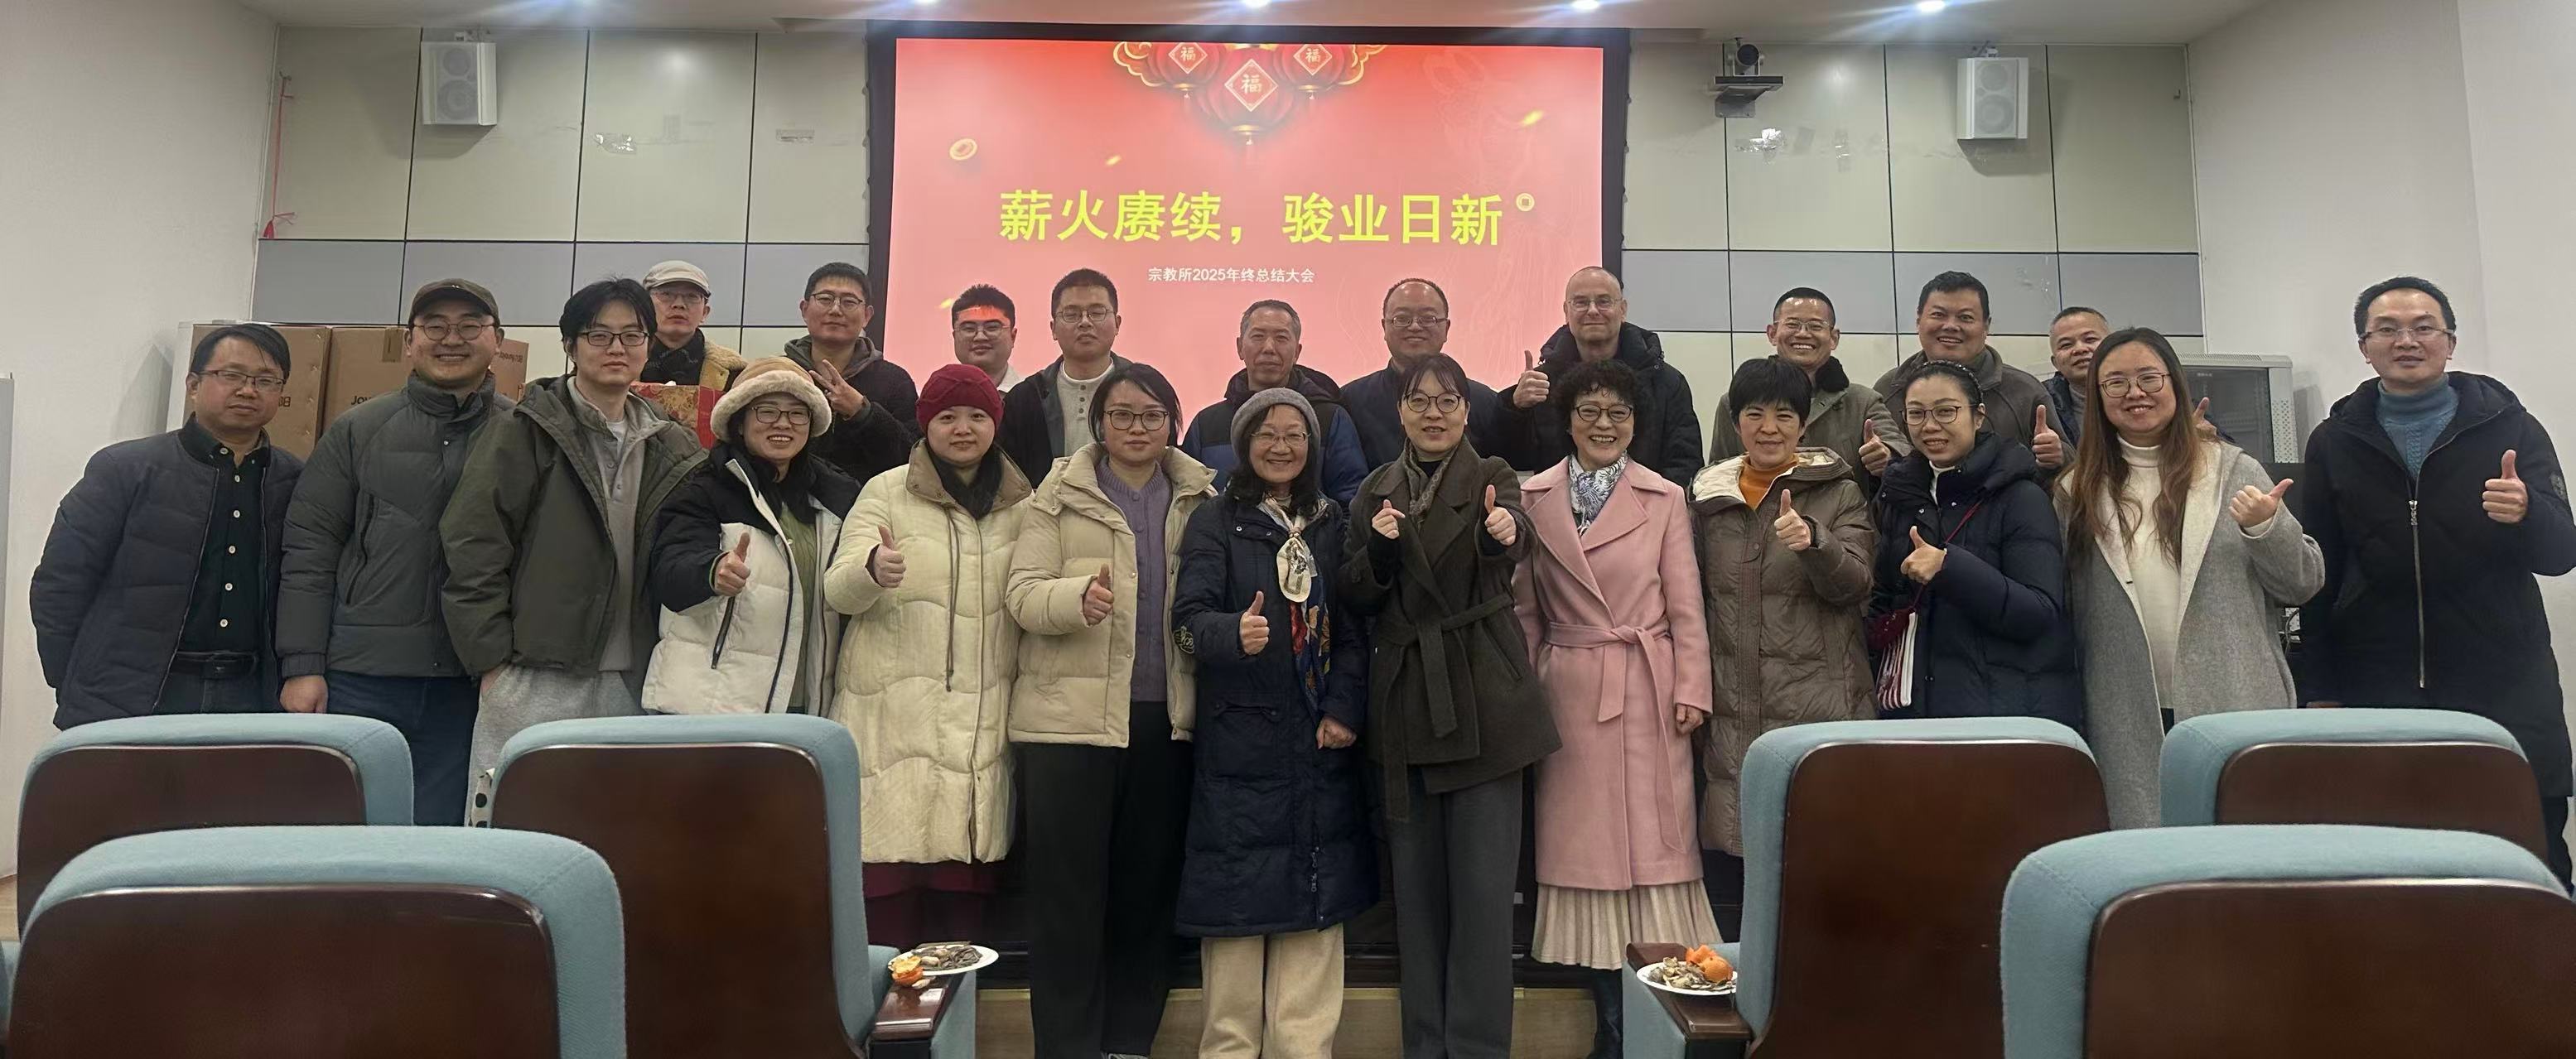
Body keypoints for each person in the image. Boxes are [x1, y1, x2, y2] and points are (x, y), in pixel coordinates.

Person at [2295, 276, 2576, 884]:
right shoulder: (2335, 440)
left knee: (2529, 859)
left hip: (2505, 684)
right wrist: (2318, 685)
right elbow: (2317, 572)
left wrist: (2527, 513)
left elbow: (2562, 552)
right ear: (2364, 347)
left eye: (2424, 327)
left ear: (2450, 341)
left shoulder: (2511, 427)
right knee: (2397, 866)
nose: (2407, 341)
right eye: (2387, 330)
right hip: (2379, 685)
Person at [1342, 354, 1558, 1059]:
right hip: (1408, 698)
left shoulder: (1493, 473)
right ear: (1400, 411)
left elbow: (1516, 532)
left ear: (1467, 410)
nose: (1433, 413)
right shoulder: (1375, 488)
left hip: (1486, 694)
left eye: (1447, 400)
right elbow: (1355, 593)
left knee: (1484, 895)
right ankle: (1425, 1044)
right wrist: (1378, 556)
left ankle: (1477, 1048)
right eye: (1419, 400)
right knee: (1418, 899)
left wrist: (1505, 534)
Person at [1005, 363, 1215, 1059]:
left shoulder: (1200, 498)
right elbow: (1022, 594)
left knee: (1146, 895)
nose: (1136, 428)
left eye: (1152, 415)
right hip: (1067, 727)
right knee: (1066, 901)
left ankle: (1127, 1043)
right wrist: (1075, 599)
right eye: (1122, 415)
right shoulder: (1057, 495)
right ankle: (1066, 1047)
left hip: (1165, 721)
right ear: (1098, 423)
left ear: (1172, 423)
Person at [1513, 359, 1719, 1059]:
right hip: (1567, 690)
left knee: (1654, 856)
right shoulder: (1532, 496)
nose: (1604, 424)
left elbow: (1685, 604)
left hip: (1646, 686)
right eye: (1590, 411)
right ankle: (1610, 1025)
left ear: (1637, 422)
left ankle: (1653, 1027)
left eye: (1618, 413)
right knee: (1587, 859)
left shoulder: (1663, 496)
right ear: (1568, 420)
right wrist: (1527, 694)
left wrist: (1692, 687)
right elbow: (1525, 610)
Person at [442, 278, 705, 820]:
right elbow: (473, 544)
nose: (616, 348)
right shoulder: (524, 431)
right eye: (599, 335)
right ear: (570, 345)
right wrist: (492, 660)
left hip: (634, 678)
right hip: (536, 672)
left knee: (618, 830)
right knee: (518, 825)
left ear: (648, 345)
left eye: (632, 335)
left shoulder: (672, 441)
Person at [1172, 387, 1374, 1059]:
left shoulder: (1332, 520)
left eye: (1294, 434)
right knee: (1236, 918)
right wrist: (1233, 632)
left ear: (1313, 446)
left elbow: (1353, 630)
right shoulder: (1214, 519)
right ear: (1243, 444)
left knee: (1314, 919)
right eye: (1266, 433)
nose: (1281, 446)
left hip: (1319, 745)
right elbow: (1187, 622)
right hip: (1239, 746)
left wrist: (1344, 708)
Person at [2057, 329, 2323, 829]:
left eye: (2149, 378)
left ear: (2175, 385)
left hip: (2234, 695)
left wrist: (2267, 529)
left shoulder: (2233, 470)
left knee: (2243, 844)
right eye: (2116, 383)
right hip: (2126, 707)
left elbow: (2302, 584)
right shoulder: (2076, 490)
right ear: (2097, 397)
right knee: (2148, 847)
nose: (2135, 393)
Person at [277, 279, 515, 825]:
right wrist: (302, 665)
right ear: (410, 342)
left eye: (470, 326)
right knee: (348, 830)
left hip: (470, 682)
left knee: (443, 836)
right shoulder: (358, 429)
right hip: (364, 676)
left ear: (497, 340)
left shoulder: (521, 433)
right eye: (435, 326)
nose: (451, 339)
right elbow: (310, 549)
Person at [827, 363, 1033, 950]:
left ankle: (951, 1016)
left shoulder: (1024, 504)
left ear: (995, 422)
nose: (962, 428)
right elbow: (838, 589)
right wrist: (871, 570)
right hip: (890, 730)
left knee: (959, 929)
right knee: (884, 929)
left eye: (976, 415)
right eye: (947, 416)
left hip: (980, 735)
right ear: (925, 425)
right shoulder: (885, 490)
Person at [1687, 358, 1878, 942]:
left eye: (1783, 415)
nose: (1768, 428)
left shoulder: (1838, 492)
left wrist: (1816, 543)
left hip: (1818, 711)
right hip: (1732, 714)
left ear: (1803, 424)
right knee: (1740, 876)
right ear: (1735, 422)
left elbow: (1857, 585)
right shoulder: (1707, 500)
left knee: (1818, 872)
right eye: (1754, 414)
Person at [34, 325, 306, 725]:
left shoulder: (295, 481)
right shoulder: (125, 469)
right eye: (231, 375)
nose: (248, 391)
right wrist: (74, 678)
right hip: (130, 697)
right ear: (193, 385)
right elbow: (61, 582)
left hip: (250, 696)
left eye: (265, 381)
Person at [1869, 362, 2082, 728]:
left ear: (1978, 416)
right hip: (1913, 710)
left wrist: (1950, 568)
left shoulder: (2020, 496)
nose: (1930, 426)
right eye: (1916, 413)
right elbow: (1885, 600)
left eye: (1946, 411)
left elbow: (2040, 612)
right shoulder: (1900, 495)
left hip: (2002, 709)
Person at [641, 359, 856, 716]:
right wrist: (712, 572)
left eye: (797, 413)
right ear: (739, 422)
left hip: (804, 706)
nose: (783, 423)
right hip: (710, 706)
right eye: (767, 411)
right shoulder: (704, 489)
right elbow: (670, 573)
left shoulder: (835, 498)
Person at [1495, 267, 1700, 484]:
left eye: (1604, 302)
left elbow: (1684, 462)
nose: (1592, 311)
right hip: (1557, 504)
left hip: (1649, 503)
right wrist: (1516, 409)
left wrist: (1655, 501)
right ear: (1566, 311)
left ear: (1622, 310)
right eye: (1581, 302)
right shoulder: (1542, 384)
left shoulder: (1665, 381)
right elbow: (1514, 459)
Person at [1706, 287, 1908, 483]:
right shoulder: (1735, 401)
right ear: (1772, 333)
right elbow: (1717, 475)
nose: (1803, 334)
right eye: (1792, 324)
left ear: (1834, 338)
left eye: (1815, 326)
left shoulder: (1862, 402)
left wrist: (1887, 456)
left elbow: (1905, 453)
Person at [1180, 299, 1369, 505]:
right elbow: (1188, 500)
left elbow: (1352, 501)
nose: (1269, 348)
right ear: (1240, 347)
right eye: (1258, 336)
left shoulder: (1330, 418)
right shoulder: (1206, 424)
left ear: (1297, 352)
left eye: (1281, 338)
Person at [1873, 271, 2067, 470]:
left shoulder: (2024, 391)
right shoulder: (1889, 389)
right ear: (1918, 320)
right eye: (1938, 315)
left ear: (1986, 326)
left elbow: (2073, 468)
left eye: (1965, 317)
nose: (1951, 326)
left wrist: (2057, 456)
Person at [759, 263, 915, 484]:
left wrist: (864, 413)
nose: (835, 310)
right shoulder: (776, 373)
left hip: (868, 501)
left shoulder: (894, 380)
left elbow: (912, 458)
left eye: (849, 302)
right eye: (825, 299)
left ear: (867, 315)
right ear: (804, 309)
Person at [1342, 277, 1508, 468]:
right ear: (1384, 327)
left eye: (1428, 318)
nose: (1414, 326)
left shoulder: (1485, 402)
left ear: (1446, 328)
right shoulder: (1350, 401)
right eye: (1402, 319)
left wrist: (1520, 410)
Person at [1001, 268, 1131, 489]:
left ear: (1117, 323)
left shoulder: (1146, 391)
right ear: (1053, 329)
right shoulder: (1025, 398)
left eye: (1097, 312)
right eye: (1071, 314)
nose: (1085, 322)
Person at [638, 259, 744, 389]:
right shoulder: (620, 361)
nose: (679, 304)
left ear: (704, 312)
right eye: (666, 294)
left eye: (692, 296)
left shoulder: (735, 372)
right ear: (645, 307)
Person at [2043, 306, 2108, 450]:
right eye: (2066, 345)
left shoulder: (2140, 392)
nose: (2080, 349)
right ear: (2055, 363)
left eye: (2090, 339)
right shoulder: (2042, 403)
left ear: (2113, 347)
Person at [951, 282, 1026, 391]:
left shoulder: (1035, 396)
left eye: (992, 327)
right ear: (955, 337)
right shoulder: (934, 397)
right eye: (969, 328)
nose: (980, 337)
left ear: (1012, 336)